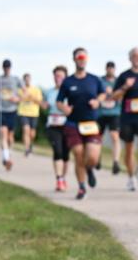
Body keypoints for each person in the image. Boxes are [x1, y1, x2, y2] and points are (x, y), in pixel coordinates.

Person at [56, 48, 104, 200]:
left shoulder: (94, 80)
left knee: (92, 157)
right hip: (73, 123)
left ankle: (89, 168)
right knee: (78, 153)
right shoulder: (68, 82)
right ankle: (82, 187)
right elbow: (59, 101)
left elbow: (102, 94)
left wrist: (98, 101)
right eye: (79, 57)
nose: (81, 60)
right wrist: (64, 108)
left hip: (91, 123)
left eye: (84, 57)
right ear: (74, 60)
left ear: (87, 59)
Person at [112, 48, 138, 191]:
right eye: (135, 55)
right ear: (130, 58)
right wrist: (125, 87)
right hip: (127, 117)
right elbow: (114, 96)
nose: (137, 58)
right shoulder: (124, 76)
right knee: (129, 150)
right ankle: (130, 178)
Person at [0, 59, 24, 171]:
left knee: (10, 137)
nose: (6, 69)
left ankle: (8, 154)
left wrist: (18, 99)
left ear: (10, 67)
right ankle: (6, 158)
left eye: (8, 67)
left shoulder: (16, 79)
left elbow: (25, 92)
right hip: (0, 110)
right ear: (2, 67)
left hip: (12, 110)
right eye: (5, 67)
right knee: (3, 133)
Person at [44, 66, 71, 191]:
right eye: (56, 76)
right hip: (53, 125)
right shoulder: (49, 92)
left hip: (67, 124)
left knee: (66, 155)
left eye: (60, 76)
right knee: (58, 151)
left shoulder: (70, 92)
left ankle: (63, 178)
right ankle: (59, 179)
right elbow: (45, 106)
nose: (58, 78)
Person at [97, 61, 122, 174]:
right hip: (101, 113)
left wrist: (114, 93)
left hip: (114, 113)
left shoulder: (118, 82)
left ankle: (116, 162)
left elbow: (122, 94)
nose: (110, 70)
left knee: (114, 136)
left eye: (112, 68)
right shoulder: (100, 81)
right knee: (98, 137)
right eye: (109, 68)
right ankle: (97, 157)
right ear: (106, 69)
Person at [17, 73, 44, 157]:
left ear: (30, 80)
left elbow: (39, 102)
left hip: (34, 113)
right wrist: (24, 95)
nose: (27, 81)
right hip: (23, 113)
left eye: (28, 79)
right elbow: (18, 100)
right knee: (26, 130)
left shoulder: (36, 90)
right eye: (25, 79)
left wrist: (30, 96)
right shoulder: (20, 90)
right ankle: (26, 149)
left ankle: (30, 144)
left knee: (32, 134)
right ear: (23, 81)